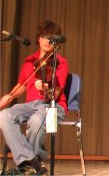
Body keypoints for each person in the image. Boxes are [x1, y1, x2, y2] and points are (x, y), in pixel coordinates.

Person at [0, 20, 69, 175]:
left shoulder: (60, 63)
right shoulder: (30, 61)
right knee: (4, 115)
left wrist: (45, 88)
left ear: (56, 42)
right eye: (44, 36)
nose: (47, 40)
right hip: (30, 105)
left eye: (51, 38)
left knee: (37, 120)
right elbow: (22, 85)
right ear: (38, 38)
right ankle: (30, 162)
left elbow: (56, 93)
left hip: (53, 106)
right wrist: (9, 97)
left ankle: (29, 164)